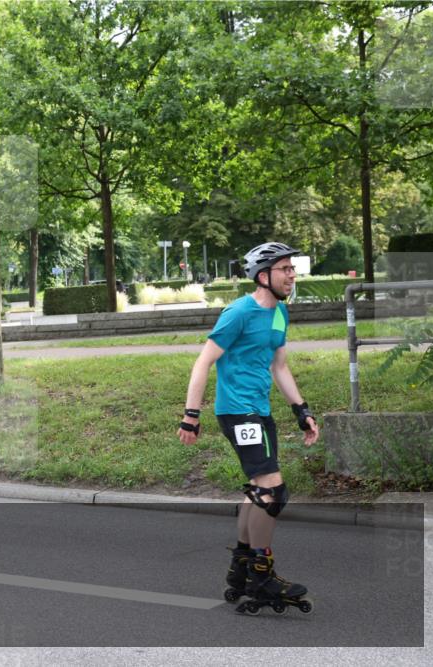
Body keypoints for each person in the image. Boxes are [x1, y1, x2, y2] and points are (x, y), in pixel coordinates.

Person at [177, 242, 320, 615]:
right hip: (238, 412)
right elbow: (203, 363)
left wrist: (301, 410)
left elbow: (279, 366)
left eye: (292, 268)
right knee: (273, 490)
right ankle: (262, 573)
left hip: (260, 410)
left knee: (259, 488)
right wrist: (191, 415)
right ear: (263, 275)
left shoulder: (280, 313)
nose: (292, 275)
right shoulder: (239, 312)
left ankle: (241, 566)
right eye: (284, 269)